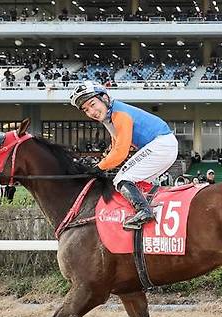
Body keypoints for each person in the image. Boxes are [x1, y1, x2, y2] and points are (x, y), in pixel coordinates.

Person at [70, 81, 178, 229]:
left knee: (122, 179)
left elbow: (121, 152)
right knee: (135, 183)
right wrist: (103, 163)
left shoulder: (119, 114)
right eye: (86, 110)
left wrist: (98, 168)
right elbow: (115, 145)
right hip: (163, 145)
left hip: (161, 144)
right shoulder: (110, 116)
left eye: (93, 104)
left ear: (105, 98)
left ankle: (144, 211)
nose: (91, 112)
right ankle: (149, 209)